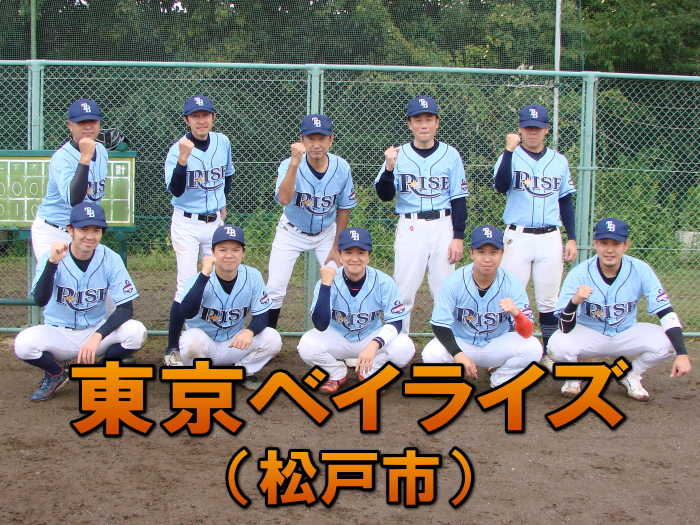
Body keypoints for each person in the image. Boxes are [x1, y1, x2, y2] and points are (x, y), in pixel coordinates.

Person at [15, 203, 147, 401]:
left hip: (94, 330)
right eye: (83, 229)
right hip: (59, 333)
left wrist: (98, 336)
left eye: (96, 230)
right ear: (70, 230)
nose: (90, 236)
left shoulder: (110, 259)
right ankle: (56, 373)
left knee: (136, 332)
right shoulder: (51, 257)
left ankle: (99, 372)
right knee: (23, 344)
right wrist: (52, 264)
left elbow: (126, 308)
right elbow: (40, 300)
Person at [548, 218, 692, 400]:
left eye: (616, 244)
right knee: (556, 345)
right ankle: (575, 375)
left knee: (670, 343)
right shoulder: (579, 274)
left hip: (626, 332)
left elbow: (665, 312)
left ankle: (630, 374)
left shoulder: (641, 270)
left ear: (626, 245)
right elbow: (564, 327)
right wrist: (574, 302)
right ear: (595, 244)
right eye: (604, 243)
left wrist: (682, 354)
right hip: (589, 333)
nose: (610, 250)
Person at [375, 96, 468, 334]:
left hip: (444, 225)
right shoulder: (397, 155)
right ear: (410, 124)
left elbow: (458, 198)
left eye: (428, 119)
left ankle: (447, 345)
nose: (423, 125)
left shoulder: (451, 154)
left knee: (444, 290)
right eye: (418, 120)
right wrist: (389, 168)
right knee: (403, 290)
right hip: (411, 225)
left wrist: (458, 236)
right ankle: (397, 343)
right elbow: (385, 195)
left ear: (437, 122)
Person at [493, 104, 577, 358]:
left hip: (550, 237)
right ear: (520, 128)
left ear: (546, 129)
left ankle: (550, 353)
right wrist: (509, 151)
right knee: (511, 299)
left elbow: (565, 201)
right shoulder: (510, 156)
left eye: (538, 128)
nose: (533, 132)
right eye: (528, 127)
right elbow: (500, 186)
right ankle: (509, 353)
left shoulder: (559, 161)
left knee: (549, 301)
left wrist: (572, 238)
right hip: (517, 237)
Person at [297, 228, 415, 394]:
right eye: (348, 252)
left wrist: (374, 345)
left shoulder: (384, 282)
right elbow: (320, 324)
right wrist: (325, 286)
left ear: (368, 256)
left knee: (405, 347)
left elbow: (396, 322)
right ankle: (337, 373)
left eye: (361, 253)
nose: (354, 258)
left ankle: (369, 372)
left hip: (369, 337)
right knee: (307, 346)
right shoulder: (328, 281)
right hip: (338, 337)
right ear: (340, 256)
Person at [266, 114, 356, 330]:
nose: (316, 144)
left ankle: (340, 335)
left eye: (322, 138)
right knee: (275, 288)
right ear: (301, 140)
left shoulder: (341, 167)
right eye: (311, 139)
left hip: (326, 233)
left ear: (331, 140)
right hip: (291, 231)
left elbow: (344, 207)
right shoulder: (288, 164)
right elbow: (284, 199)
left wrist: (337, 247)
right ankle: (266, 338)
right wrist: (294, 163)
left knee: (338, 281)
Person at [422, 225, 542, 387]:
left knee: (533, 348)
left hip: (496, 344)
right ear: (471, 253)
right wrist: (458, 354)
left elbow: (527, 332)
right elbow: (439, 325)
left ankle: (501, 380)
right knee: (431, 354)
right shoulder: (454, 282)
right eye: (481, 252)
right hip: (462, 343)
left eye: (493, 252)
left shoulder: (512, 284)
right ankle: (454, 377)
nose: (487, 258)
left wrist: (516, 313)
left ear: (502, 254)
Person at [163, 95, 233, 366]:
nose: (201, 120)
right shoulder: (176, 150)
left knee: (217, 279)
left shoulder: (222, 142)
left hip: (214, 223)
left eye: (205, 115)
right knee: (186, 284)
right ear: (187, 120)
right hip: (187, 223)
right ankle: (172, 348)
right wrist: (183, 159)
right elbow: (176, 190)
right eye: (195, 116)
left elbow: (228, 175)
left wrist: (222, 202)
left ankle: (210, 337)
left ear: (213, 117)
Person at [179, 225, 281, 390]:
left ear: (243, 252)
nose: (229, 255)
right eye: (222, 249)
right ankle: (201, 375)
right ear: (212, 252)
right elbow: (187, 312)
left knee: (272, 337)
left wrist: (249, 332)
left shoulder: (253, 277)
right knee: (191, 341)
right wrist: (204, 275)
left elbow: (262, 315)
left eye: (235, 249)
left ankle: (242, 372)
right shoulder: (198, 279)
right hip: (205, 346)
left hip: (234, 343)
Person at [31, 99, 108, 259]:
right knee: (54, 274)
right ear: (70, 125)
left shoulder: (101, 150)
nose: (88, 126)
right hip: (54, 230)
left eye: (93, 121)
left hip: (83, 231)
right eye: (81, 122)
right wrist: (85, 158)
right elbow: (74, 199)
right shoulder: (62, 158)